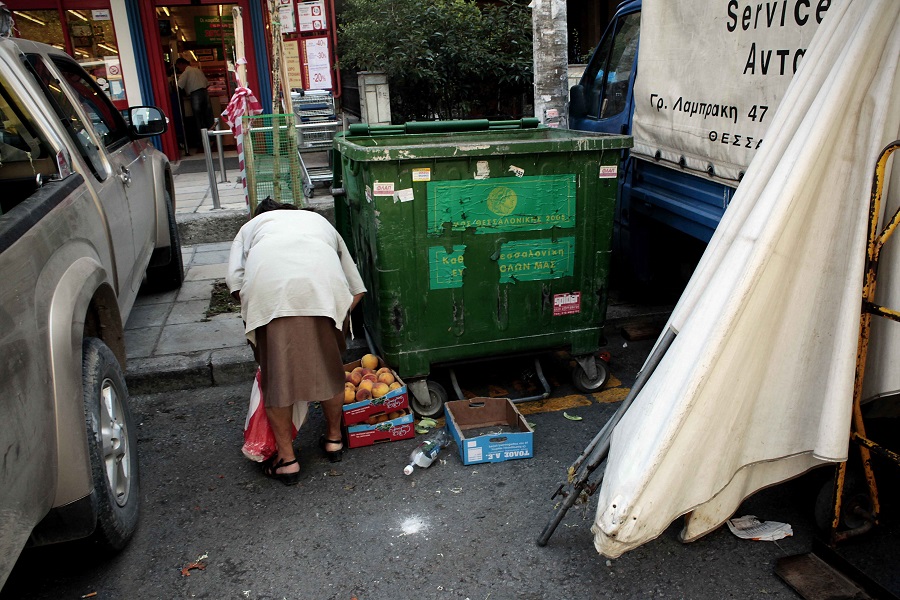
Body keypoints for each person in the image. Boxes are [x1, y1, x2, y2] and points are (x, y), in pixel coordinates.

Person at [226, 199, 366, 486]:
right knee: (330, 371)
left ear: (262, 215)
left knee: (277, 379)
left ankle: (287, 461)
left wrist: (265, 316)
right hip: (325, 292)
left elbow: (236, 286)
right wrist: (333, 317)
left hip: (270, 295)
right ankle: (334, 440)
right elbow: (356, 289)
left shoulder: (250, 228)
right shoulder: (321, 223)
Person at [174, 57, 212, 150]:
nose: (179, 69)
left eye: (179, 67)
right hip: (205, 93)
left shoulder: (186, 72)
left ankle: (202, 141)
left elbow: (178, 87)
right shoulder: (197, 70)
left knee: (198, 119)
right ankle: (212, 139)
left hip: (195, 94)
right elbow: (207, 84)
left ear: (181, 64)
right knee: (207, 117)